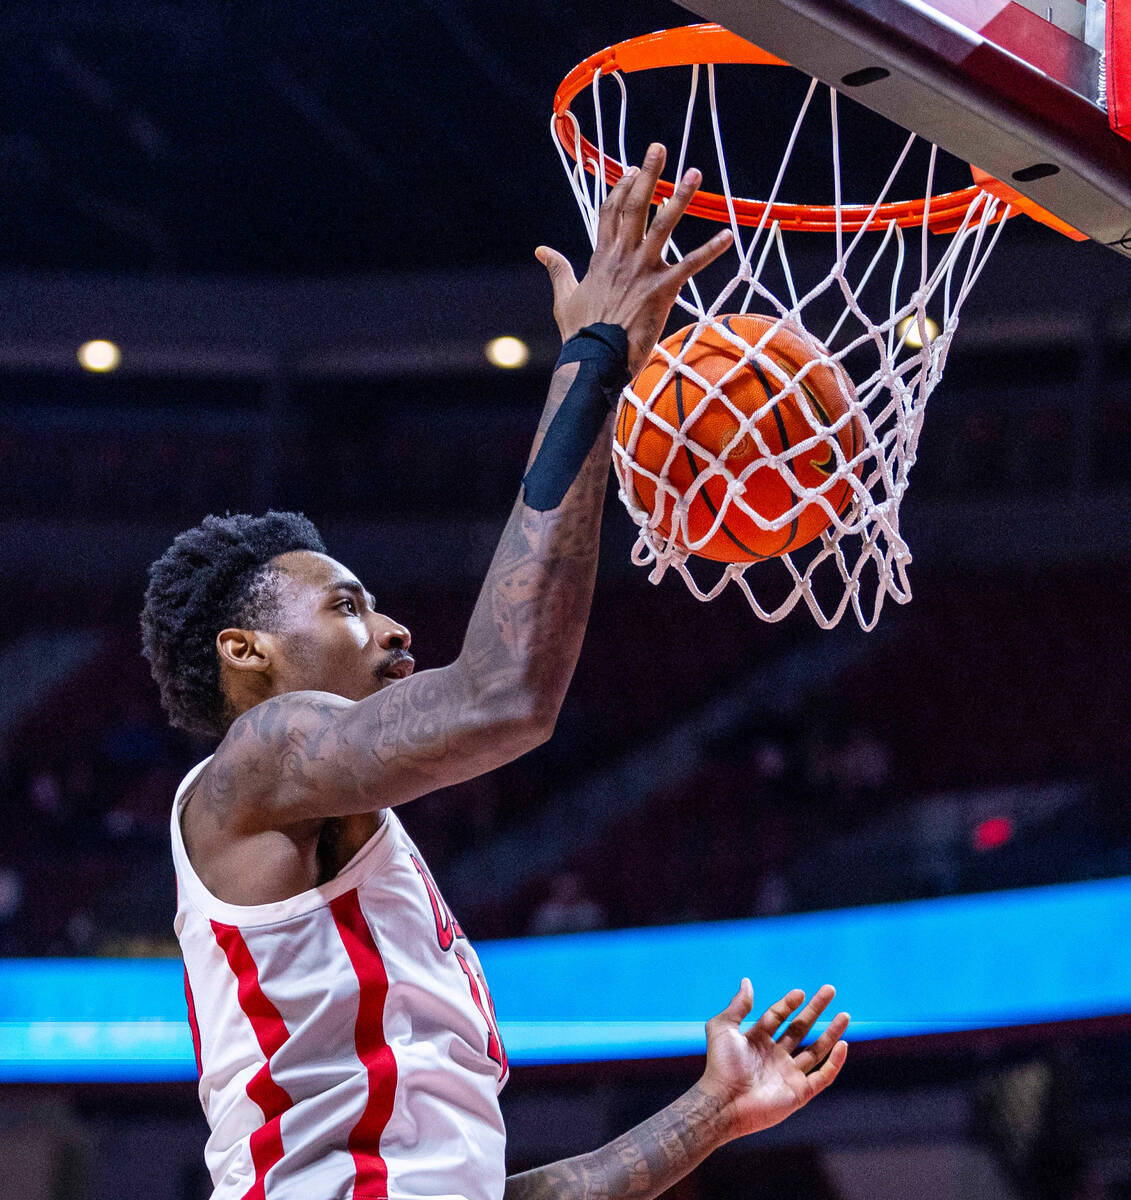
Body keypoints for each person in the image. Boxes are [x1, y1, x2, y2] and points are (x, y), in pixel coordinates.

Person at [141, 144, 849, 1200]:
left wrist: (715, 1111)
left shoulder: (337, 844)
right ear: (246, 652)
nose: (391, 632)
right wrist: (596, 357)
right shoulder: (259, 758)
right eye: (346, 604)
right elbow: (506, 693)